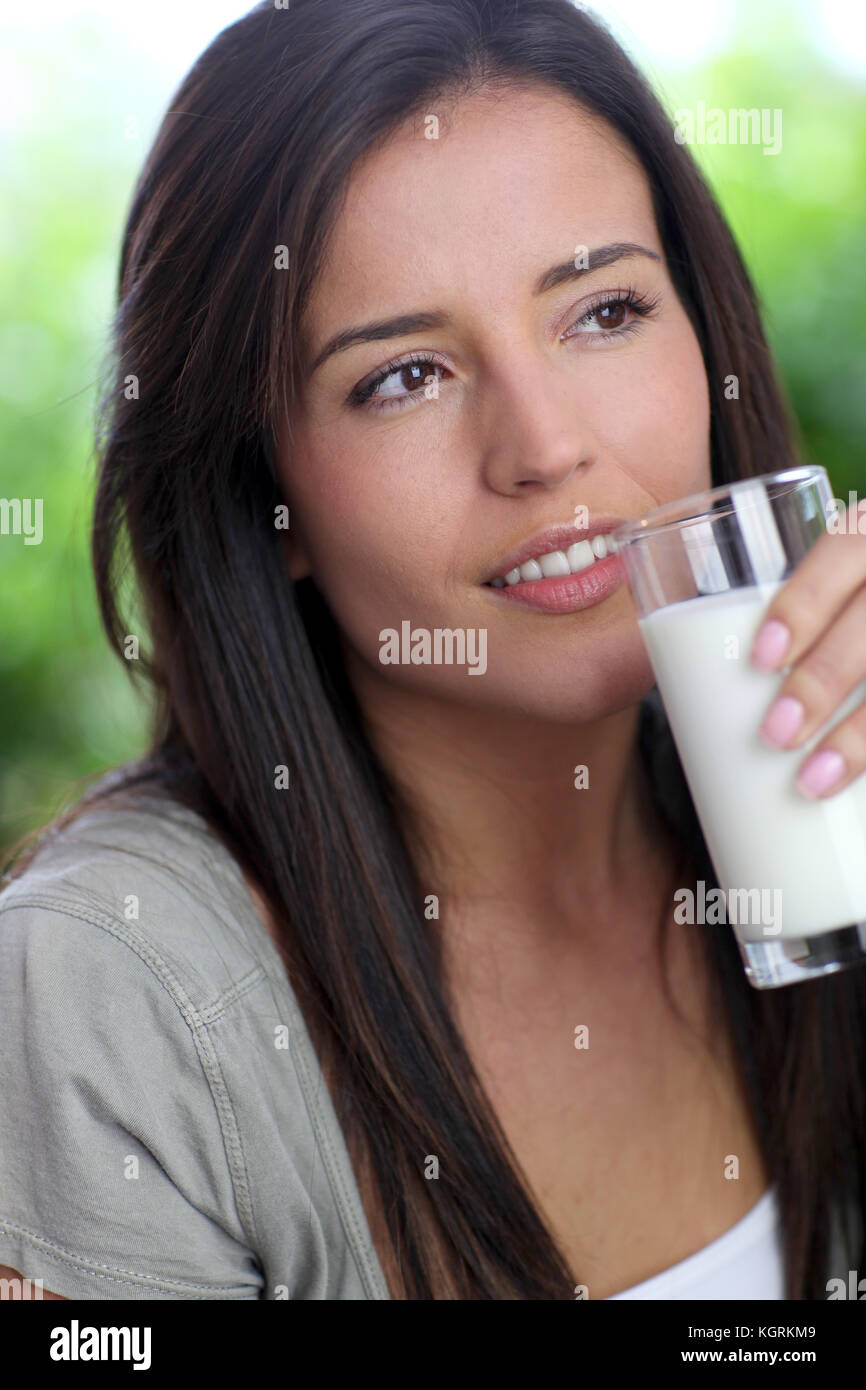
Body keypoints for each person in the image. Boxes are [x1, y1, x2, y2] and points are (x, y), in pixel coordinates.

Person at [1, 0, 863, 1301]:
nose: (543, 446)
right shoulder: (106, 986)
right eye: (403, 375)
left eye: (602, 310)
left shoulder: (821, 833)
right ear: (264, 493)